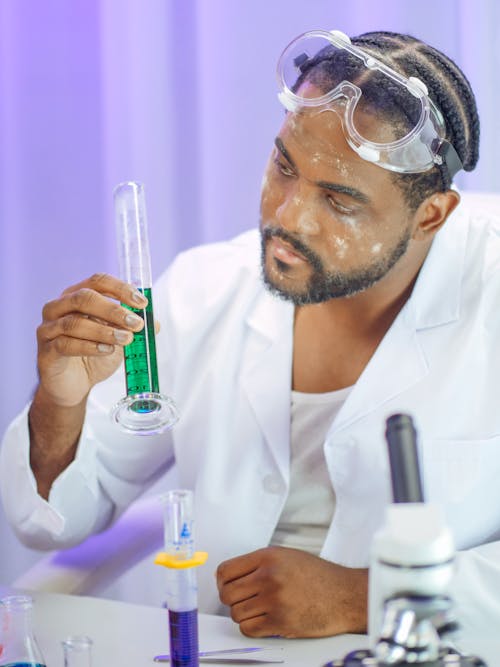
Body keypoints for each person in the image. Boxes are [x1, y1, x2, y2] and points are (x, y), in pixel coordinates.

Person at [1, 28, 499, 642]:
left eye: (339, 200)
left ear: (431, 215)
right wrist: (61, 403)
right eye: (284, 166)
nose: (287, 215)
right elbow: (54, 519)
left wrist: (361, 596)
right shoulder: (204, 289)